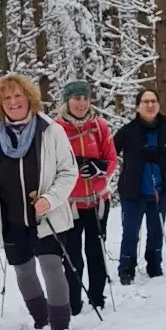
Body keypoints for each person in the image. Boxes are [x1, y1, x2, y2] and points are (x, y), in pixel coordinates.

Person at [0, 75, 79, 330]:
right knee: (23, 271)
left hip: (46, 215)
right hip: (10, 218)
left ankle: (60, 327)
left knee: (51, 266)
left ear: (29, 97)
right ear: (0, 104)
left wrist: (50, 199)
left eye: (18, 96)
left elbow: (68, 172)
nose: (13, 102)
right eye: (6, 98)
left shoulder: (50, 131)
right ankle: (41, 319)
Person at [55, 79, 118, 316]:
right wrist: (73, 167)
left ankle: (97, 297)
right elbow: (50, 165)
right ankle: (73, 302)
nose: (81, 104)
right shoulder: (56, 129)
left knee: (96, 251)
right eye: (76, 98)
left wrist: (99, 167)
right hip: (69, 205)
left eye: (85, 98)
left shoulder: (99, 126)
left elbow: (112, 160)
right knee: (72, 256)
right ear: (67, 101)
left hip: (97, 201)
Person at [113, 87, 166, 283]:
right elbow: (110, 152)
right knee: (131, 231)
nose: (150, 105)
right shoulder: (128, 131)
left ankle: (154, 265)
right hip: (133, 192)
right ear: (137, 107)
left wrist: (158, 158)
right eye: (145, 102)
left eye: (153, 101)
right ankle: (126, 268)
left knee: (156, 230)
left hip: (160, 190)